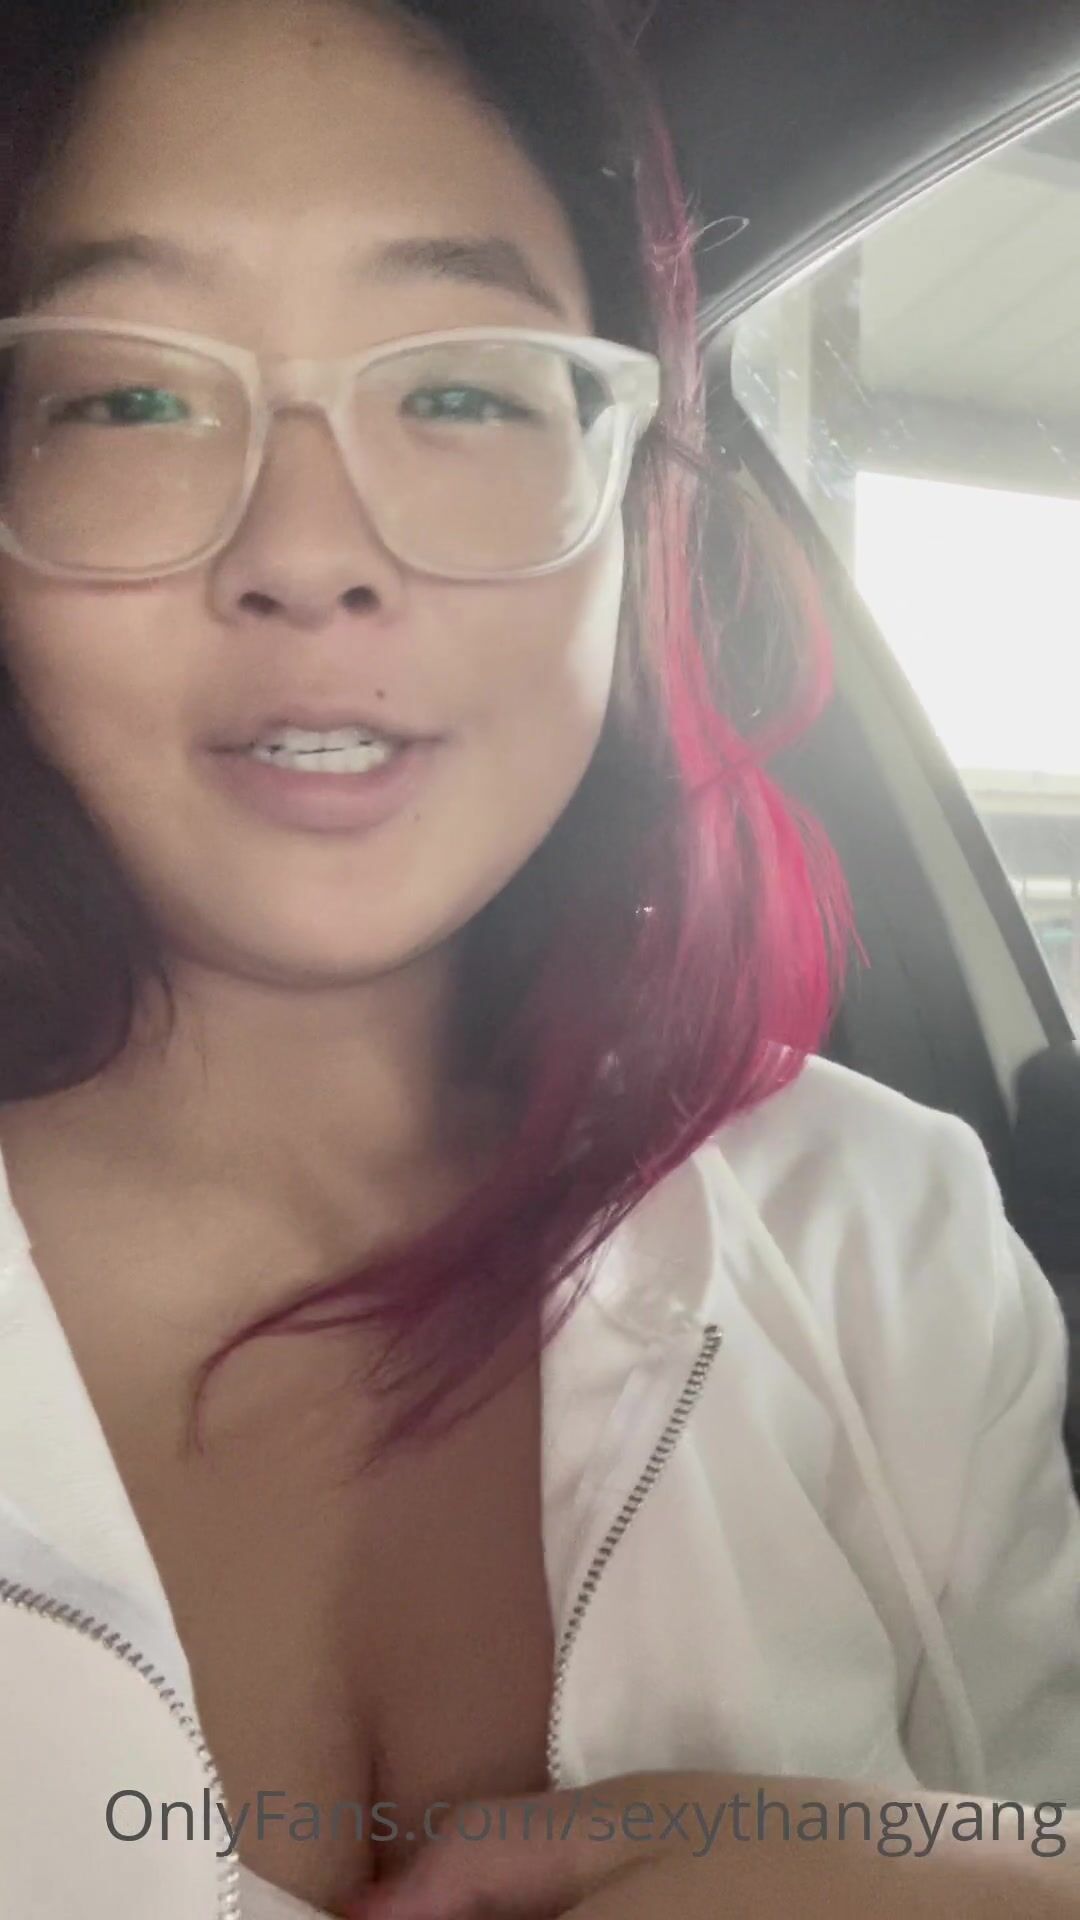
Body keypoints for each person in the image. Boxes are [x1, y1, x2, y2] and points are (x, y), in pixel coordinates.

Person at [0, 1, 1076, 1916]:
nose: (309, 550)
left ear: (634, 495)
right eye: (130, 399)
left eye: (464, 391)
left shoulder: (887, 1240)